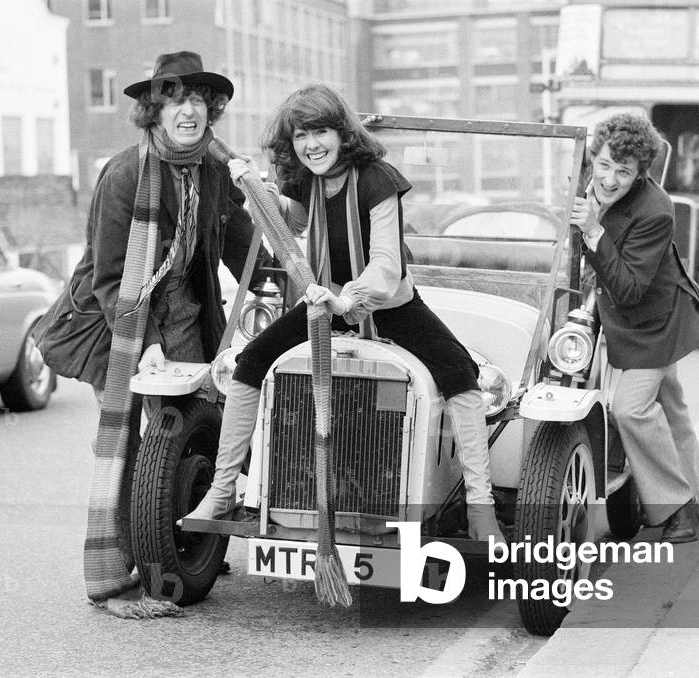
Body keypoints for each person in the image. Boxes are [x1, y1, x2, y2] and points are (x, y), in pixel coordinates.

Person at [193, 84, 505, 544]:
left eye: (320, 132)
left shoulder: (379, 180)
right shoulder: (305, 179)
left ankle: (481, 506)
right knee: (249, 365)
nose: (311, 145)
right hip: (324, 303)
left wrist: (351, 299)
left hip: (389, 306)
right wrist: (254, 189)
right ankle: (222, 491)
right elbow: (293, 222)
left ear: (342, 133)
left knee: (461, 373)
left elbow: (385, 264)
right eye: (301, 135)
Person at [70, 51, 260, 616]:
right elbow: (107, 278)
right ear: (154, 111)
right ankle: (130, 564)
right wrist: (146, 343)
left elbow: (242, 243)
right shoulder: (126, 174)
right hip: (116, 320)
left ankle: (188, 545)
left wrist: (300, 277)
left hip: (186, 311)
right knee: (140, 441)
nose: (190, 111)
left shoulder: (211, 170)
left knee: (200, 426)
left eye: (200, 101)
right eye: (177, 100)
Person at [570, 113, 699, 544]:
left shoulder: (656, 211)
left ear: (640, 174)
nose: (611, 179)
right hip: (623, 315)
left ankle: (679, 509)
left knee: (631, 409)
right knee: (671, 409)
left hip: (654, 321)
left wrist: (594, 231)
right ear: (593, 158)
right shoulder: (581, 184)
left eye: (624, 172)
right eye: (605, 165)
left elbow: (631, 289)